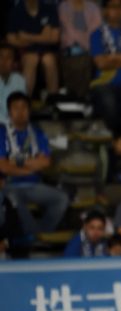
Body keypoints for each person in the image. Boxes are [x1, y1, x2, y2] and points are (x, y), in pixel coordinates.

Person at [0, 92, 68, 235]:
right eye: (16, 108)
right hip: (9, 186)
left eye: (24, 107)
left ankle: (41, 234)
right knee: (14, 202)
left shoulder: (37, 132)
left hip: (34, 185)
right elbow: (3, 166)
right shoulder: (2, 132)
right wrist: (30, 166)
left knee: (61, 198)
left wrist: (15, 161)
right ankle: (34, 236)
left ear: (29, 111)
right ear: (9, 111)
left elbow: (45, 162)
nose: (20, 112)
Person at [89, 0, 121, 132]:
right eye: (113, 7)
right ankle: (118, 137)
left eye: (120, 7)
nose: (117, 10)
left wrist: (113, 58)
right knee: (110, 103)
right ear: (105, 10)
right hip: (105, 82)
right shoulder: (97, 34)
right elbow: (101, 63)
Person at [6, 0, 60, 98]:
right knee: (31, 59)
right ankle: (25, 100)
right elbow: (11, 39)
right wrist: (42, 38)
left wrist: (26, 37)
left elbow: (54, 38)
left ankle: (54, 100)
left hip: (47, 50)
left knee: (49, 60)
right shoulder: (16, 11)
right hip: (25, 50)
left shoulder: (49, 8)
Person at [59, 0, 103, 99]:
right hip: (69, 49)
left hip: (91, 49)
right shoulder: (64, 7)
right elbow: (70, 33)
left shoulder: (93, 8)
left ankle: (79, 98)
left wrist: (86, 45)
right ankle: (79, 98)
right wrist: (85, 42)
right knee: (79, 60)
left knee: (85, 59)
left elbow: (95, 31)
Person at [0, 44, 27, 126]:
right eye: (1, 56)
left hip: (14, 126)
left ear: (14, 62)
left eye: (9, 57)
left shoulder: (19, 80)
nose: (4, 61)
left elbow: (20, 107)